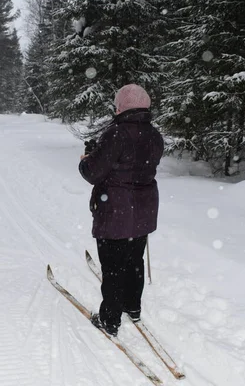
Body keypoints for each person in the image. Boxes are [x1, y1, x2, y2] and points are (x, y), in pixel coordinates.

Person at [79, 84, 164, 337]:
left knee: (113, 266)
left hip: (116, 210)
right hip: (144, 210)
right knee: (133, 261)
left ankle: (109, 320)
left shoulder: (116, 133)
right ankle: (132, 306)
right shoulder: (154, 135)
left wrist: (87, 158)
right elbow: (136, 164)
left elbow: (93, 172)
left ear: (121, 107)